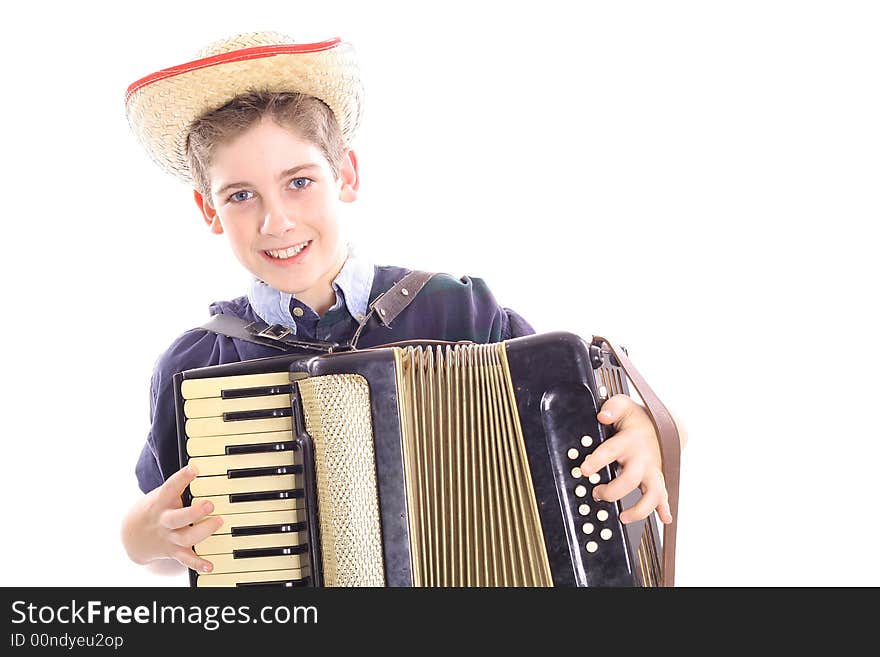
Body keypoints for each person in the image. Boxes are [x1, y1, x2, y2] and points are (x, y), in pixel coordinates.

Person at [120, 31, 687, 578]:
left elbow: (592, 436)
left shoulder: (462, 311)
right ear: (209, 210)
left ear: (345, 175)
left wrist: (645, 430)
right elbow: (178, 540)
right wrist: (138, 540)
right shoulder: (196, 365)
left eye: (299, 182)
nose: (276, 222)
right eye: (240, 196)